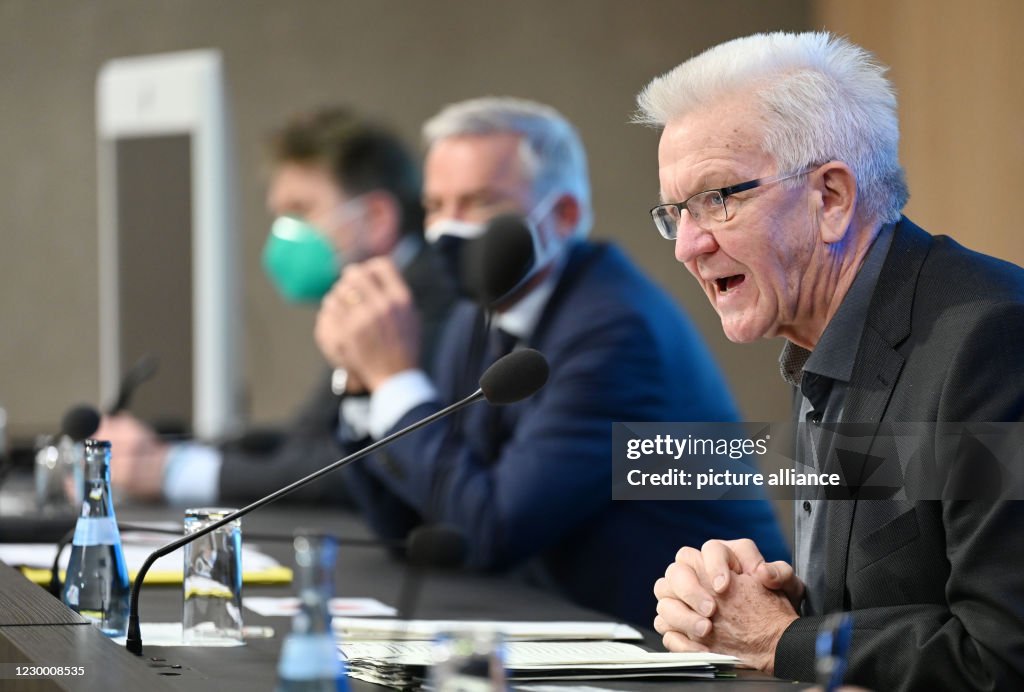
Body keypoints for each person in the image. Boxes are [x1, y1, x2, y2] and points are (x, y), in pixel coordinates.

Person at [635, 31, 1024, 688]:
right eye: (676, 213)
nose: (688, 246)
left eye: (718, 199)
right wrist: (756, 600)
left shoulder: (990, 340)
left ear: (831, 198)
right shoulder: (824, 338)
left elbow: (1001, 654)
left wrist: (781, 638)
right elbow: (895, 596)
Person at [322, 97, 788, 627]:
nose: (446, 232)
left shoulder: (614, 328)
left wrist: (394, 381)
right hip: (565, 627)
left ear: (563, 215)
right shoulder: (475, 316)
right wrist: (364, 389)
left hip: (683, 651)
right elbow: (422, 529)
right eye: (434, 207)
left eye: (477, 204)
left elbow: (492, 530)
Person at [98, 107, 456, 506]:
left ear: (375, 218)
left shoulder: (432, 302)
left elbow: (353, 467)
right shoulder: (367, 302)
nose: (284, 235)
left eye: (300, 211)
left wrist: (174, 472)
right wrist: (167, 454)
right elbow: (306, 440)